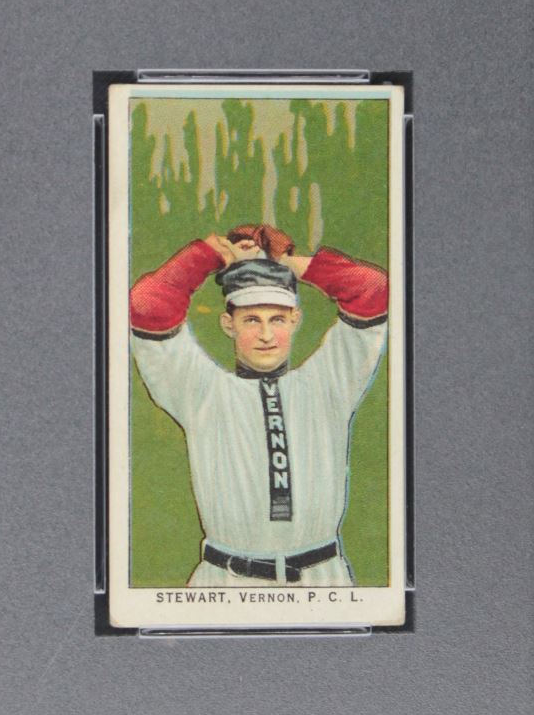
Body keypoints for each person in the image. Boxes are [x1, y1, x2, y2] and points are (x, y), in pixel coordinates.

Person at [129, 223, 388, 587]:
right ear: (228, 324)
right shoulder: (202, 390)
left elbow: (374, 289)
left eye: (277, 319)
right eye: (251, 320)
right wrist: (213, 254)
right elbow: (146, 303)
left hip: (321, 578)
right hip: (226, 579)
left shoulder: (328, 382)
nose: (266, 335)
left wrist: (289, 263)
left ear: (295, 320)